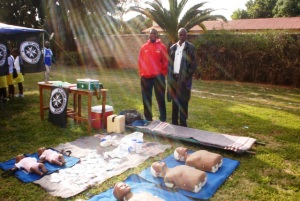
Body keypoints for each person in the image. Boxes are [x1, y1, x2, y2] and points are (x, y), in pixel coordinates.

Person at [167, 28, 197, 127]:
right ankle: (174, 123)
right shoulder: (173, 48)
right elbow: (170, 63)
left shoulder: (191, 48)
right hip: (173, 79)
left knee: (183, 102)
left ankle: (183, 124)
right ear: (178, 35)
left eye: (184, 35)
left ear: (186, 35)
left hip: (184, 79)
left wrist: (185, 76)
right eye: (180, 35)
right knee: (175, 101)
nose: (182, 36)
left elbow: (193, 66)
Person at [138, 29, 168, 122]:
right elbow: (140, 61)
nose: (152, 35)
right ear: (149, 35)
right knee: (146, 99)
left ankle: (163, 118)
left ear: (157, 35)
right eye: (151, 33)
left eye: (154, 33)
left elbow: (166, 61)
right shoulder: (144, 47)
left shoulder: (162, 47)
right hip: (146, 78)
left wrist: (162, 73)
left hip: (158, 78)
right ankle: (148, 118)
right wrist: (142, 73)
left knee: (160, 98)